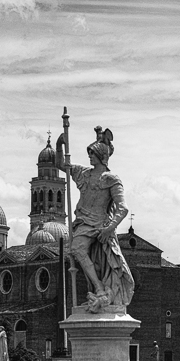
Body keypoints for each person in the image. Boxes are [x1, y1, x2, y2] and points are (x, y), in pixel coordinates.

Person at [62, 126, 135, 312]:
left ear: (102, 156)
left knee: (87, 254)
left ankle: (102, 291)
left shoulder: (111, 179)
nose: (89, 156)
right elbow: (60, 164)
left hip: (101, 225)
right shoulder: (83, 173)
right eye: (89, 153)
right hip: (83, 222)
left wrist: (110, 228)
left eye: (93, 153)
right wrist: (58, 144)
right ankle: (99, 288)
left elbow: (123, 208)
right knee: (76, 250)